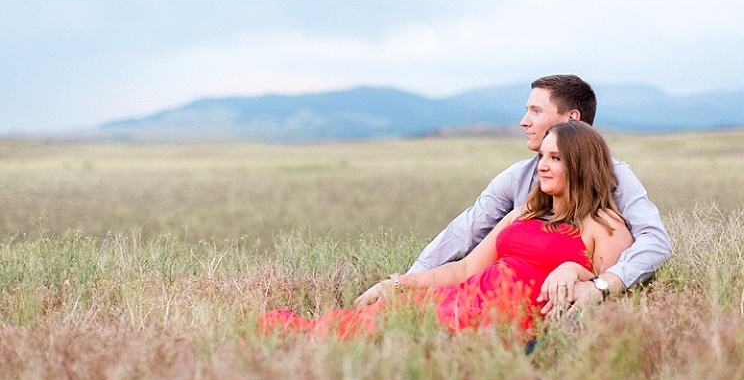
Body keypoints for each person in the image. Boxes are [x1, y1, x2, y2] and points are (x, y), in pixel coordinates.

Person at [259, 121, 634, 339]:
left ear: (582, 165)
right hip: (465, 297)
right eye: (541, 157)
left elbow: (611, 287)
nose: (543, 167)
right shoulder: (524, 213)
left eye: (556, 159)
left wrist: (576, 269)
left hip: (501, 321)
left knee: (387, 333)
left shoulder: (604, 226)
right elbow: (464, 269)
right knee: (367, 320)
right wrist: (400, 283)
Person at [381, 74, 671, 313]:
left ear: (572, 119)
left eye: (536, 111)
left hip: (520, 312)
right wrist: (402, 283)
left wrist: (599, 283)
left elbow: (654, 242)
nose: (524, 121)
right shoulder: (518, 178)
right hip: (480, 297)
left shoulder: (615, 183)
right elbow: (465, 233)